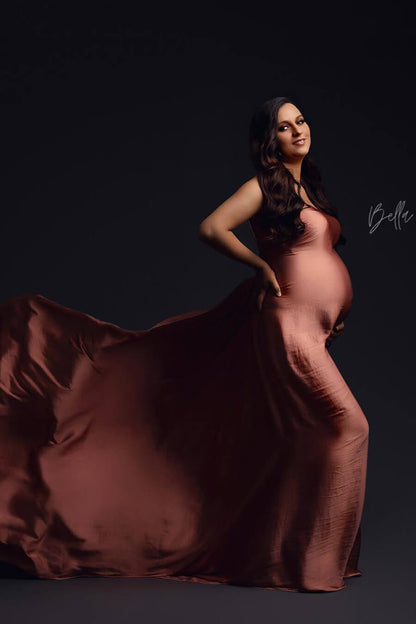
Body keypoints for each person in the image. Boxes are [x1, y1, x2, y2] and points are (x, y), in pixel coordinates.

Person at [0, 96, 369, 593]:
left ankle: (297, 557)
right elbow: (211, 227)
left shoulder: (308, 189)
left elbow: (318, 258)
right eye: (284, 127)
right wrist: (261, 267)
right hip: (287, 327)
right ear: (270, 141)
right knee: (349, 428)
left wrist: (333, 315)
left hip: (314, 329)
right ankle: (311, 564)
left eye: (301, 120)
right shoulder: (263, 187)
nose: (298, 130)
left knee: (304, 438)